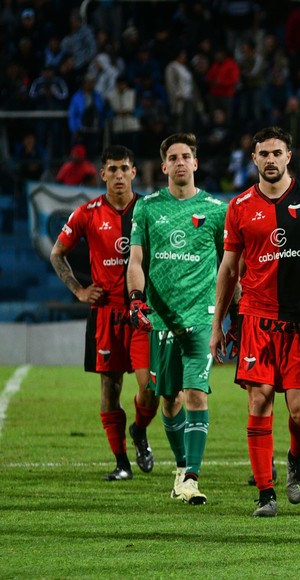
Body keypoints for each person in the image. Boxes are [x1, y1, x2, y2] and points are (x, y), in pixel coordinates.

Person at [210, 126, 300, 517]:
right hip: (257, 318)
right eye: (263, 153)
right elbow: (229, 269)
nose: (270, 159)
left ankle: (295, 459)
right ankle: (266, 495)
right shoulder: (239, 207)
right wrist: (218, 323)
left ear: (289, 156)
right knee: (260, 398)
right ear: (254, 159)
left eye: (277, 152)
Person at [127, 133, 227, 506]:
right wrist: (137, 299)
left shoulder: (218, 209)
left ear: (196, 164)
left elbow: (230, 266)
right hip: (161, 320)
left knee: (196, 394)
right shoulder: (148, 208)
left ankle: (191, 476)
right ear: (164, 166)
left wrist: (232, 312)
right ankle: (181, 467)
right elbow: (136, 260)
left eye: (187, 156)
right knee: (168, 400)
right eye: (173, 157)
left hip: (201, 317)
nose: (181, 162)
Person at [50, 145, 160, 481]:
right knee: (109, 390)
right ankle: (122, 463)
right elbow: (58, 254)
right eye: (111, 169)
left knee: (151, 388)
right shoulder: (87, 213)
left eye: (123, 168)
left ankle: (139, 431)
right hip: (106, 315)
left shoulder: (150, 211)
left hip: (142, 312)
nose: (117, 175)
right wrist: (79, 290)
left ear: (133, 173)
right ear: (102, 174)